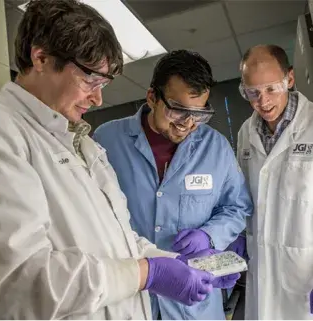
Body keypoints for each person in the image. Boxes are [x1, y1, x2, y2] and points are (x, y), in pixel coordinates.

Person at [0, 1, 236, 319]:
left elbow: (122, 243)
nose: (98, 99)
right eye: (91, 81)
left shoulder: (83, 145)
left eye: (103, 85)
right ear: (41, 57)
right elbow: (18, 287)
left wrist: (179, 263)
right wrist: (147, 274)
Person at [93, 50, 253, 320]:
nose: (187, 124)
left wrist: (210, 235)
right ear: (152, 97)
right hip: (131, 297)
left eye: (199, 114)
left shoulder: (215, 148)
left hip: (192, 304)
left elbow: (237, 206)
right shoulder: (107, 140)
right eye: (178, 110)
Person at [231, 44, 313, 320]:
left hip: (306, 275)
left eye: (271, 88)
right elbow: (243, 197)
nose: (262, 101)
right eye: (253, 93)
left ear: (289, 79)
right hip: (262, 268)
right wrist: (239, 234)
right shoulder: (245, 134)